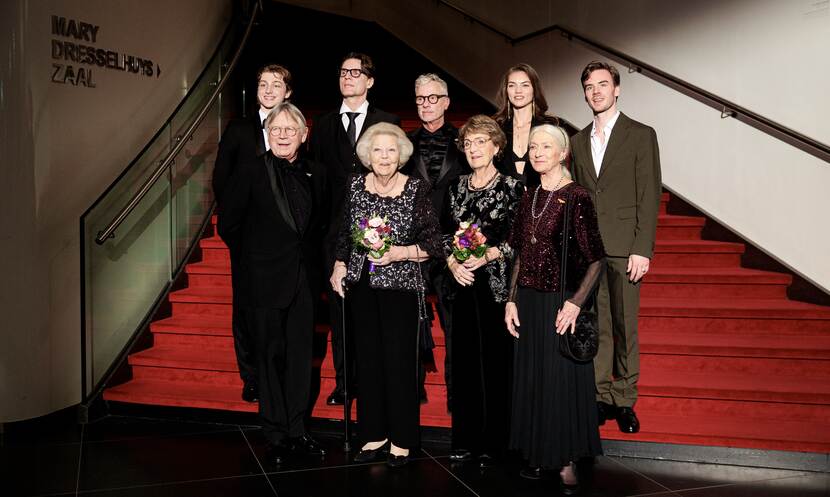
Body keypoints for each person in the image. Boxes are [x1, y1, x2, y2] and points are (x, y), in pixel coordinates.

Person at [217, 102, 329, 465]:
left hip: (305, 282)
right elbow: (229, 224)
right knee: (269, 357)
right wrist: (254, 260)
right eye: (276, 130)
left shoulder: (318, 172)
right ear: (267, 134)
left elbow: (323, 226)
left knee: (300, 358)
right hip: (263, 280)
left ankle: (298, 429)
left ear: (303, 135)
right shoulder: (249, 170)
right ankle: (275, 432)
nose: (283, 135)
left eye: (290, 130)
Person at [329, 123, 443, 468]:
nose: (383, 157)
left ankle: (402, 439)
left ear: (401, 156)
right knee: (369, 362)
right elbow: (345, 233)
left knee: (398, 364)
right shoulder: (354, 186)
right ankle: (373, 434)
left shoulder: (415, 189)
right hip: (362, 287)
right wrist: (338, 265)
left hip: (402, 289)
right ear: (367, 155)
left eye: (391, 150)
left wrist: (399, 253)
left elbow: (434, 243)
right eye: (377, 150)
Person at [505, 124, 605, 494]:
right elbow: (519, 252)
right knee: (534, 379)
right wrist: (511, 300)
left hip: (560, 300)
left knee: (559, 381)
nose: (537, 151)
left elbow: (597, 260)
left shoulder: (577, 196)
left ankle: (564, 459)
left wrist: (575, 303)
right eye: (533, 146)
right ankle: (537, 453)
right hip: (529, 300)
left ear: (563, 153)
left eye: (546, 146)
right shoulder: (528, 195)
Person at [571, 61, 662, 434]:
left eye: (603, 84)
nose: (596, 91)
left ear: (617, 89)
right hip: (591, 250)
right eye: (590, 86)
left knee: (625, 326)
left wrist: (643, 248)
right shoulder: (577, 141)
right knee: (600, 325)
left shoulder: (641, 134)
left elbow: (649, 193)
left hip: (626, 248)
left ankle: (625, 399)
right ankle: (600, 396)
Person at [310, 52, 401, 407]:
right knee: (340, 312)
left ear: (370, 80)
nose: (348, 77)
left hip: (378, 231)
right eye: (343, 71)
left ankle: (375, 380)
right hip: (334, 234)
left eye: (356, 72)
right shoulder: (323, 124)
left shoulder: (387, 120)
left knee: (375, 310)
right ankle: (345, 383)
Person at [442, 115, 522, 468]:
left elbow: (520, 240)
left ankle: (495, 442)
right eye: (468, 143)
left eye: (480, 142)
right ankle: (465, 439)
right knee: (463, 364)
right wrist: (451, 263)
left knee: (495, 364)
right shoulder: (455, 187)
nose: (473, 149)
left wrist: (492, 252)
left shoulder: (512, 187)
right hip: (462, 286)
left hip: (496, 287)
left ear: (496, 146)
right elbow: (443, 235)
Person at [212, 63, 293, 403]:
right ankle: (252, 375)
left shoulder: (295, 128)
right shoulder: (239, 129)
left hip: (285, 242)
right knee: (245, 306)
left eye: (277, 84)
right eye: (263, 84)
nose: (269, 89)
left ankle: (281, 370)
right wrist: (235, 234)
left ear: (288, 92)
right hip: (247, 239)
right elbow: (221, 180)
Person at [403, 73, 470, 408]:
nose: (426, 104)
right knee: (410, 325)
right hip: (413, 247)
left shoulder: (464, 142)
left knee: (455, 328)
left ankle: (457, 394)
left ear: (446, 101)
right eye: (420, 99)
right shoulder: (403, 142)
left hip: (454, 247)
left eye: (432, 98)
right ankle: (412, 389)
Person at [492, 63, 559, 188]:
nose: (518, 91)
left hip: (541, 202)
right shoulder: (496, 129)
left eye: (525, 85)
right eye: (512, 85)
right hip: (504, 203)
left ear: (534, 89)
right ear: (506, 91)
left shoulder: (550, 127)